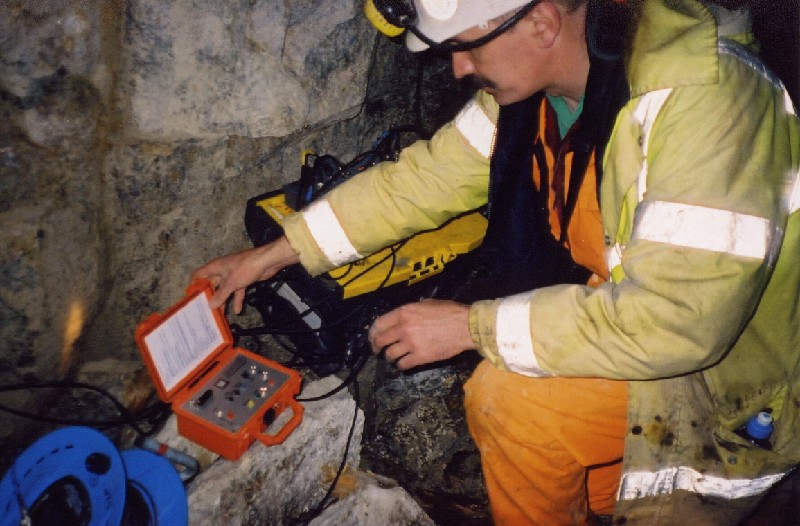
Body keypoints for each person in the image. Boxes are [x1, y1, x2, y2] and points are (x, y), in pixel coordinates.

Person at [192, 1, 800, 524]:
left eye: (467, 47)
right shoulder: (544, 92)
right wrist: (273, 254)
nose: (458, 68)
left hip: (728, 381)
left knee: (510, 403)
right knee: (565, 471)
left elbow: (679, 320)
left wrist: (470, 325)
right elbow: (421, 182)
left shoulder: (703, 102)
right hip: (641, 327)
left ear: (540, 22)